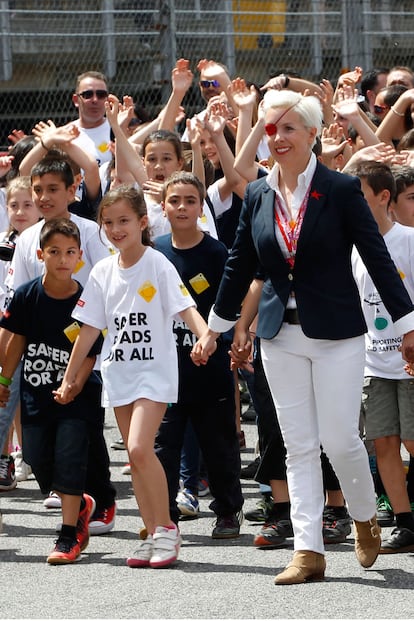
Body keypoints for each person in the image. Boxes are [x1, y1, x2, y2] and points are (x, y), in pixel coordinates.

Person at [191, 88, 414, 585]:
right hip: (279, 336)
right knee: (298, 444)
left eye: (288, 128)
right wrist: (216, 330)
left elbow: (377, 258)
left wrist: (407, 325)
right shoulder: (258, 194)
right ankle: (308, 550)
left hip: (337, 334)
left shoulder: (339, 190)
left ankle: (362, 514)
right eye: (270, 129)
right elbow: (238, 265)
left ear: (313, 133)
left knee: (339, 438)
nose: (278, 137)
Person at [54, 184, 211, 568]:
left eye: (123, 220)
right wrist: (70, 378)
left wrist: (205, 335)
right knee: (137, 460)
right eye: (107, 222)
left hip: (154, 373)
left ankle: (167, 530)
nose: (115, 228)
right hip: (118, 374)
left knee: (141, 449)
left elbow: (185, 307)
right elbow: (89, 330)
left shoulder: (157, 264)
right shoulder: (103, 272)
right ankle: (150, 530)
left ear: (143, 222)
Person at [4, 155, 117, 534]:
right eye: (38, 190)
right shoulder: (26, 239)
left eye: (54, 189)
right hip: (41, 359)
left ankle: (101, 500)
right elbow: (15, 301)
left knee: (84, 435)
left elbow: (108, 287)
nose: (45, 197)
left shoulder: (92, 233)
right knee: (41, 449)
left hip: (87, 351)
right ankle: (76, 495)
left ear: (73, 190)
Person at [0, 218, 103, 564]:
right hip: (35, 394)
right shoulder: (28, 295)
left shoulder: (87, 299)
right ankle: (83, 504)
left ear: (80, 258)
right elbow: (15, 341)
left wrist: (73, 383)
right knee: (36, 459)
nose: (62, 259)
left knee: (70, 458)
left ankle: (67, 535)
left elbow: (90, 351)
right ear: (41, 254)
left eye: (70, 253)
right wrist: (4, 381)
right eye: (55, 252)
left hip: (77, 396)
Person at [154, 171, 244, 537]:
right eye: (175, 200)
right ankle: (164, 516)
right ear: (163, 206)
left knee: (218, 442)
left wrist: (228, 338)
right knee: (165, 447)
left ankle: (227, 510)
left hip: (210, 364)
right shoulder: (155, 251)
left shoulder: (216, 251)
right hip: (166, 369)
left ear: (201, 207)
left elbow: (231, 302)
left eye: (191, 200)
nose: (182, 207)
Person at [348, 160, 414, 554]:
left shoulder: (408, 240)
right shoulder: (353, 248)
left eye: (360, 196)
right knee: (384, 443)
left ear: (383, 196)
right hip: (374, 362)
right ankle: (405, 523)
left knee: (411, 439)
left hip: (409, 361)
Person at [0, 176, 40, 489]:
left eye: (28, 204)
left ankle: (31, 455)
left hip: (39, 330)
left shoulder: (47, 241)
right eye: (14, 205)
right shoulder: (2, 241)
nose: (21, 211)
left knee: (30, 398)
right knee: (6, 395)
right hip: (8, 329)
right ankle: (6, 459)